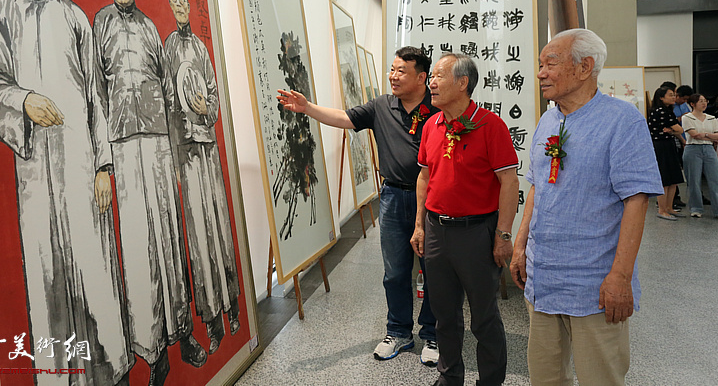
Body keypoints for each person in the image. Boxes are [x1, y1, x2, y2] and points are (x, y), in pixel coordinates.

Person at [0, 0, 132, 384]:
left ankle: (113, 373)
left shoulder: (77, 19)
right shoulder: (3, 10)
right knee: (46, 282)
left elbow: (97, 102)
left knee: (95, 278)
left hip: (84, 169)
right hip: (36, 177)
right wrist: (22, 100)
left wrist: (105, 168)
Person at [510, 28, 663, 386]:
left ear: (584, 67)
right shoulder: (548, 120)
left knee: (600, 378)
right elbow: (536, 188)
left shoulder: (622, 122)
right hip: (543, 280)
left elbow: (636, 200)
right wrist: (520, 248)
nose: (540, 73)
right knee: (545, 378)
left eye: (550, 64)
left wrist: (620, 277)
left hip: (594, 285)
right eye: (539, 64)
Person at [277, 46, 440, 365]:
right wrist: (308, 108)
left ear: (421, 77)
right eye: (392, 70)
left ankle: (433, 335)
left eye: (401, 71)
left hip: (432, 198)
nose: (393, 76)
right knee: (394, 271)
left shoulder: (438, 107)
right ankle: (399, 332)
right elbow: (345, 118)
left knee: (433, 269)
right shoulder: (382, 105)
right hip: (392, 196)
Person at [93, 0, 207, 381]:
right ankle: (151, 348)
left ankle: (182, 332)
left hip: (159, 145)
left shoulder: (150, 31)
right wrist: (104, 161)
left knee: (170, 240)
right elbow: (96, 99)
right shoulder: (100, 24)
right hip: (123, 147)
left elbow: (168, 94)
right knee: (140, 248)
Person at [410, 53, 518, 386]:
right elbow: (425, 178)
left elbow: (509, 182)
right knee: (444, 315)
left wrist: (502, 235)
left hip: (476, 233)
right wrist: (418, 225)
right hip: (437, 231)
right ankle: (449, 377)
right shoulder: (431, 124)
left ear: (462, 83)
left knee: (484, 318)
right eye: (432, 77)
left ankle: (490, 381)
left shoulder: (491, 125)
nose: (432, 82)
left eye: (439, 76)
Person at [163, 0, 241, 354]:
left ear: (190, 4)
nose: (179, 3)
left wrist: (205, 108)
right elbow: (166, 103)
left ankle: (234, 307)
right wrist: (183, 115)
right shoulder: (167, 49)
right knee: (199, 238)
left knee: (221, 228)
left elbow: (213, 97)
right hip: (187, 156)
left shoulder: (202, 50)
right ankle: (211, 319)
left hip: (209, 151)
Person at [681, 93, 718, 219]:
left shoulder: (711, 118)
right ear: (692, 104)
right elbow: (694, 134)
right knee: (694, 180)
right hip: (692, 148)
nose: (704, 103)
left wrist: (705, 135)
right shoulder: (687, 118)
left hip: (708, 148)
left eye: (705, 101)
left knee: (716, 179)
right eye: (700, 101)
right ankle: (696, 208)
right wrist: (710, 135)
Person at [647, 87, 685, 220]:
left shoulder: (667, 110)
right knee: (665, 178)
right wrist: (673, 130)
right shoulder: (661, 111)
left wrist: (672, 131)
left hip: (668, 144)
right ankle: (662, 209)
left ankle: (669, 207)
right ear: (661, 97)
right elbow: (679, 129)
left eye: (674, 95)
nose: (673, 97)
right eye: (670, 95)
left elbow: (676, 130)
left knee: (673, 177)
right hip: (661, 146)